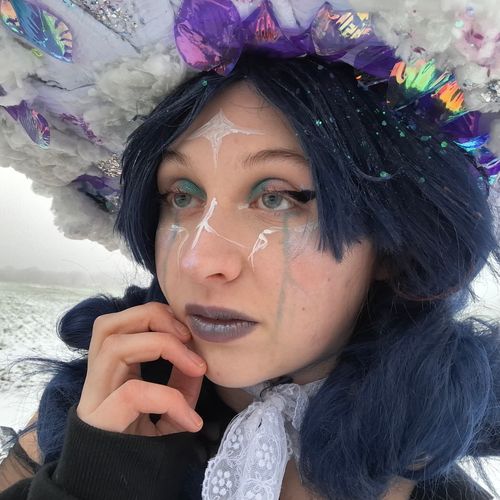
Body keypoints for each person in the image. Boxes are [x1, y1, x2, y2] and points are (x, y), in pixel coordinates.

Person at [0, 53, 499, 499]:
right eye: (182, 195)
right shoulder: (79, 420)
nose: (197, 261)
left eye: (276, 198)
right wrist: (93, 481)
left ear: (392, 243)